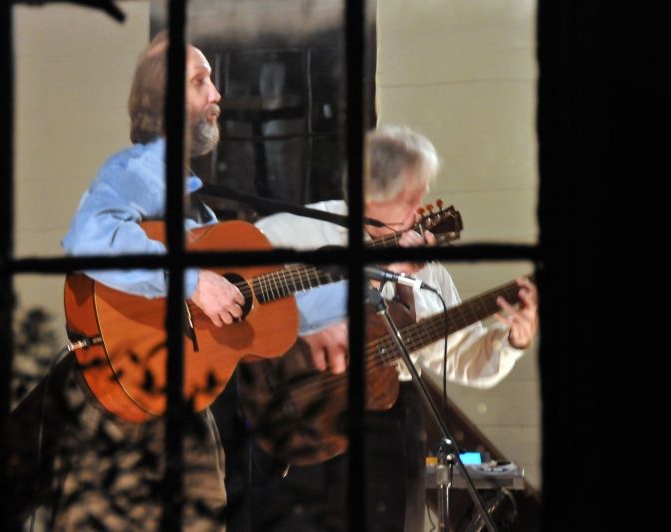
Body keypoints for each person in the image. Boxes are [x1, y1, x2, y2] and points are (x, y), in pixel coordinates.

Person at [243, 124, 539, 532]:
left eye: (422, 193)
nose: (420, 206)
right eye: (410, 195)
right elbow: (237, 305)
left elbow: (461, 357)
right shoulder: (294, 232)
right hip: (298, 414)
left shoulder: (427, 268)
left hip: (387, 421)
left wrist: (513, 340)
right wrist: (382, 277)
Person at [48, 32, 244, 531]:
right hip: (120, 404)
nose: (216, 94)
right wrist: (191, 282)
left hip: (177, 396)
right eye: (200, 82)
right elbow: (89, 238)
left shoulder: (190, 197)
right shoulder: (138, 170)